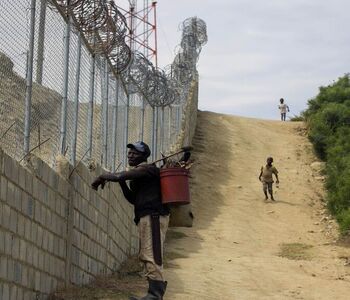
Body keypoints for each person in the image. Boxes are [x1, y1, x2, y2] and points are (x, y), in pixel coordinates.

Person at [91, 141, 170, 300]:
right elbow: (133, 199)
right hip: (146, 217)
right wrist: (121, 183)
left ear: (143, 156)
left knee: (152, 254)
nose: (130, 155)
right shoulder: (140, 175)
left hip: (153, 216)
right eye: (129, 153)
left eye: (135, 153)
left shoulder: (147, 169)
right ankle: (153, 294)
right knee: (147, 254)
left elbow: (122, 175)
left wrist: (103, 176)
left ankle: (155, 295)